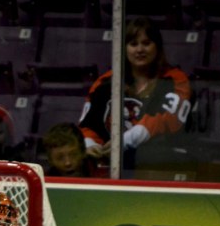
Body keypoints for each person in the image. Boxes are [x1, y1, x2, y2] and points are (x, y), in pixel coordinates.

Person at [77, 16, 192, 172]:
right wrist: (91, 145)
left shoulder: (174, 80)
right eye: (133, 44)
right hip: (111, 168)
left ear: (157, 47)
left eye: (146, 43)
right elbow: (89, 123)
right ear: (124, 48)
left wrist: (124, 141)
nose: (139, 50)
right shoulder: (105, 82)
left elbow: (164, 119)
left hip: (159, 167)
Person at [40, 122, 105, 177]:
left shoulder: (104, 177)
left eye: (73, 155)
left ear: (83, 152)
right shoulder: (42, 183)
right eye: (60, 158)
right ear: (50, 160)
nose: (68, 163)